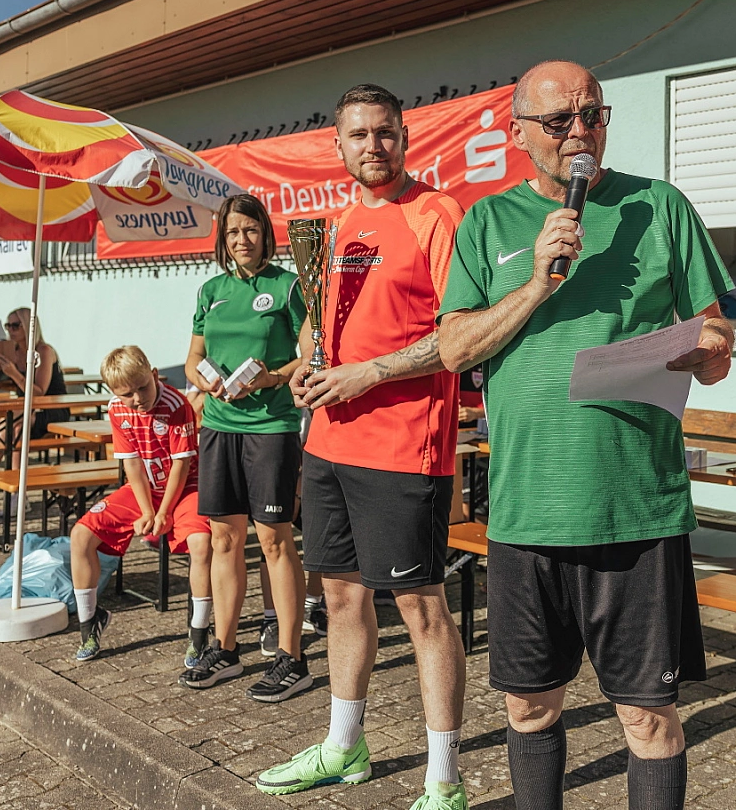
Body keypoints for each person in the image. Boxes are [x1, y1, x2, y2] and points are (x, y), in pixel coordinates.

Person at [437, 60, 735, 810]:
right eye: (558, 121)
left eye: (592, 115)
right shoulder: (486, 222)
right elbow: (455, 350)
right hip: (527, 512)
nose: (580, 133)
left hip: (634, 508)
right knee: (529, 708)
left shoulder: (659, 206)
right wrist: (538, 281)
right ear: (518, 134)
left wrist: (710, 350)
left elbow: (717, 333)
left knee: (648, 716)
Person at [255, 84, 468, 810]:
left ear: (404, 138)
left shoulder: (437, 214)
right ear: (338, 145)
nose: (373, 146)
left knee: (422, 608)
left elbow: (459, 335)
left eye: (385, 133)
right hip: (329, 443)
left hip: (405, 445)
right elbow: (320, 322)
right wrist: (305, 364)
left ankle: (444, 781)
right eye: (359, 135)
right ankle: (344, 745)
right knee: (342, 597)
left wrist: (368, 373)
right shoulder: (341, 222)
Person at [181, 193, 316, 701]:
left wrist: (272, 378)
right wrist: (201, 378)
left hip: (270, 427)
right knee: (223, 540)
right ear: (223, 238)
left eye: (251, 230)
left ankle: (292, 657)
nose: (242, 239)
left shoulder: (288, 285)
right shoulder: (210, 289)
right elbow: (193, 356)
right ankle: (225, 648)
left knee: (274, 540)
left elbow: (310, 355)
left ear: (266, 234)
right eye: (234, 232)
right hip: (218, 426)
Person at [68, 345, 211, 663]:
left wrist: (163, 512)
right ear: (113, 393)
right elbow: (131, 463)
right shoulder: (116, 410)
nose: (137, 399)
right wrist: (148, 511)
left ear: (155, 375)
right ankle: (90, 623)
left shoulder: (177, 404)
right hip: (143, 488)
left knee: (201, 543)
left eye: (143, 388)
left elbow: (181, 465)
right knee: (80, 535)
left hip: (186, 487)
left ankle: (199, 633)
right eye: (126, 394)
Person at [0, 306, 68, 472]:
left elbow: (39, 393)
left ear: (29, 327)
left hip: (51, 407)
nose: (10, 330)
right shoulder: (11, 351)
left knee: (16, 425)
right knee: (14, 423)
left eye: (15, 325)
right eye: (8, 326)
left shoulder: (43, 351)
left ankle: (3, 478)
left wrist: (14, 373)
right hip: (24, 409)